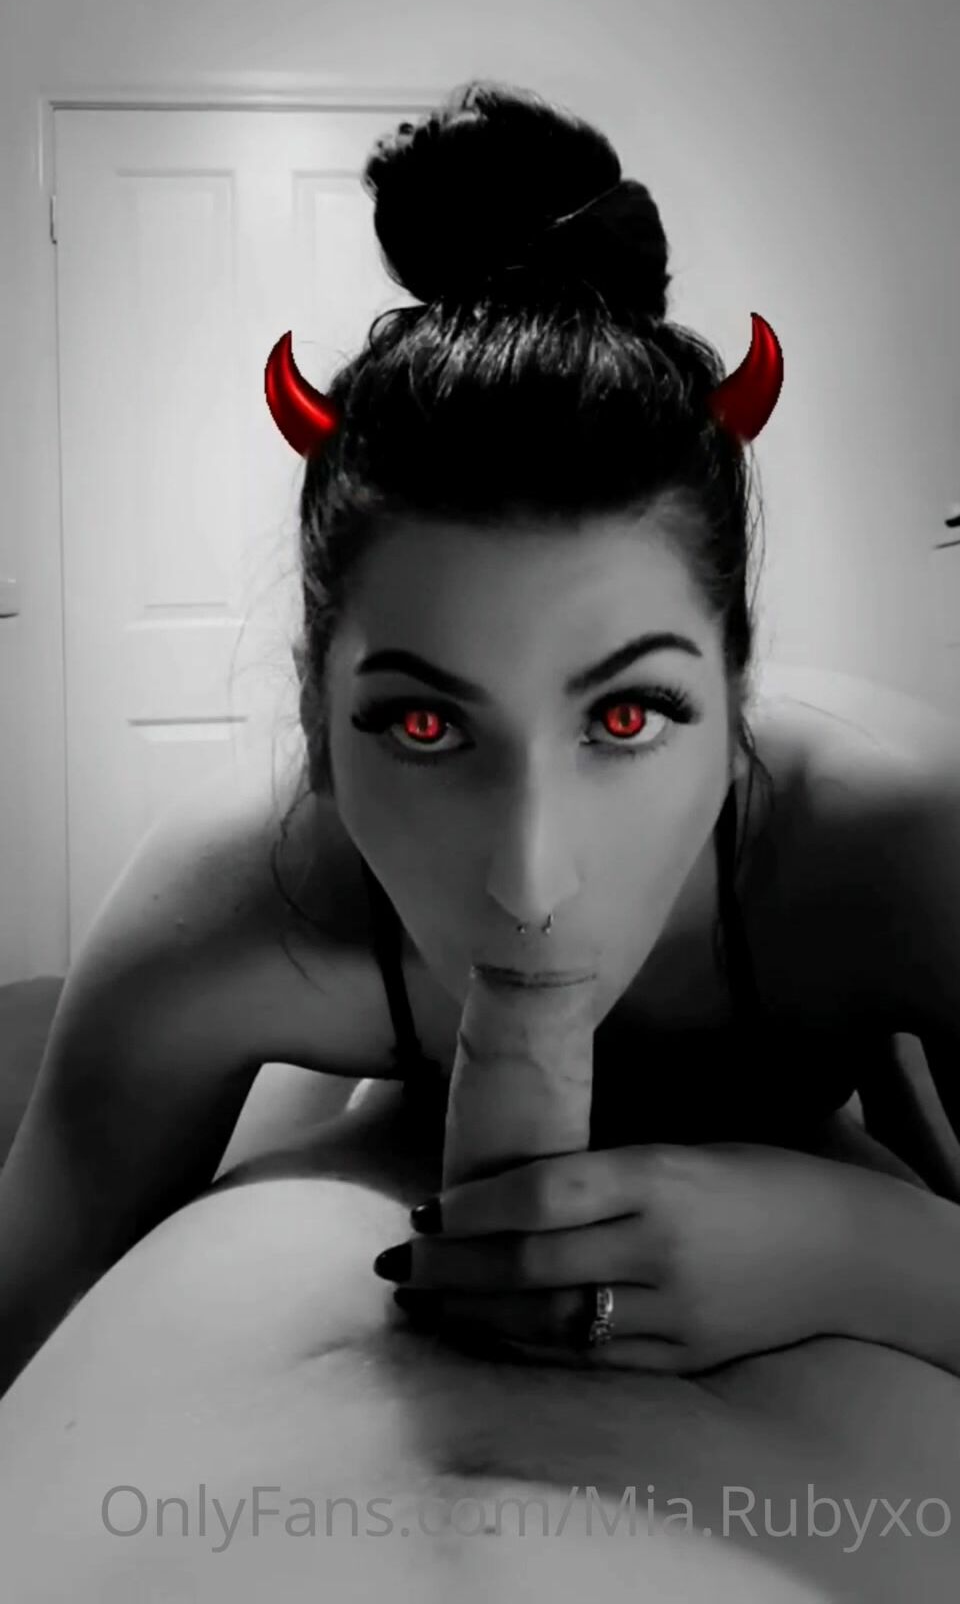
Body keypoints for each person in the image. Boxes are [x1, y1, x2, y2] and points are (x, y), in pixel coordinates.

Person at [1, 78, 959, 1414]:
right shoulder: (238, 911)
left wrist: (869, 1251)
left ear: (738, 690)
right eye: (425, 722)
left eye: (625, 716)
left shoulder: (905, 847)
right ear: (312, 718)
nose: (529, 876)